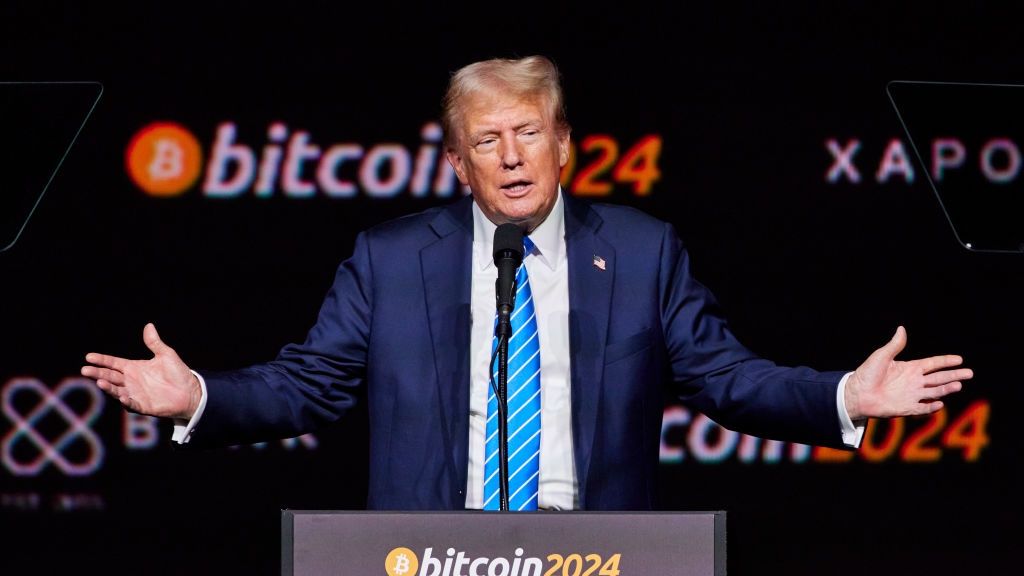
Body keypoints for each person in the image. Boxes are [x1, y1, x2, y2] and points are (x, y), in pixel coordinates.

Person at [81, 55, 972, 511]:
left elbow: (725, 378)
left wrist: (847, 396)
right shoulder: (392, 258)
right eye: (487, 141)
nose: (512, 158)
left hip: (597, 557)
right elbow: (309, 384)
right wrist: (197, 395)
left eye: (530, 133)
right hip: (427, 556)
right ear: (459, 165)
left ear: (565, 146)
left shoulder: (640, 249)